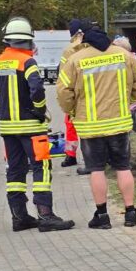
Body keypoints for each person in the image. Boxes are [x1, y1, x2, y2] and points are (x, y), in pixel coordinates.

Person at [0, 16, 75, 232]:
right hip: (32, 129)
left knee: (15, 172)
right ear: (27, 41)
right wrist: (39, 111)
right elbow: (37, 89)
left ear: (8, 41)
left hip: (8, 130)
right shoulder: (28, 62)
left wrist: (1, 114)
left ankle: (20, 217)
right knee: (41, 168)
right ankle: (46, 216)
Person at [57, 22, 136, 229]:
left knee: (96, 170)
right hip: (119, 122)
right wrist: (128, 98)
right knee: (123, 167)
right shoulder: (124, 55)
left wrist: (72, 111)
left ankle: (102, 216)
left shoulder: (75, 60)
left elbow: (63, 92)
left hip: (90, 126)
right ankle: (131, 213)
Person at [59, 19, 91, 172]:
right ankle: (91, 158)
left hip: (74, 94)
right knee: (89, 127)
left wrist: (65, 99)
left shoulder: (68, 50)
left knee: (71, 127)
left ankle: (71, 155)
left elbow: (63, 76)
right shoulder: (93, 46)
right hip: (92, 92)